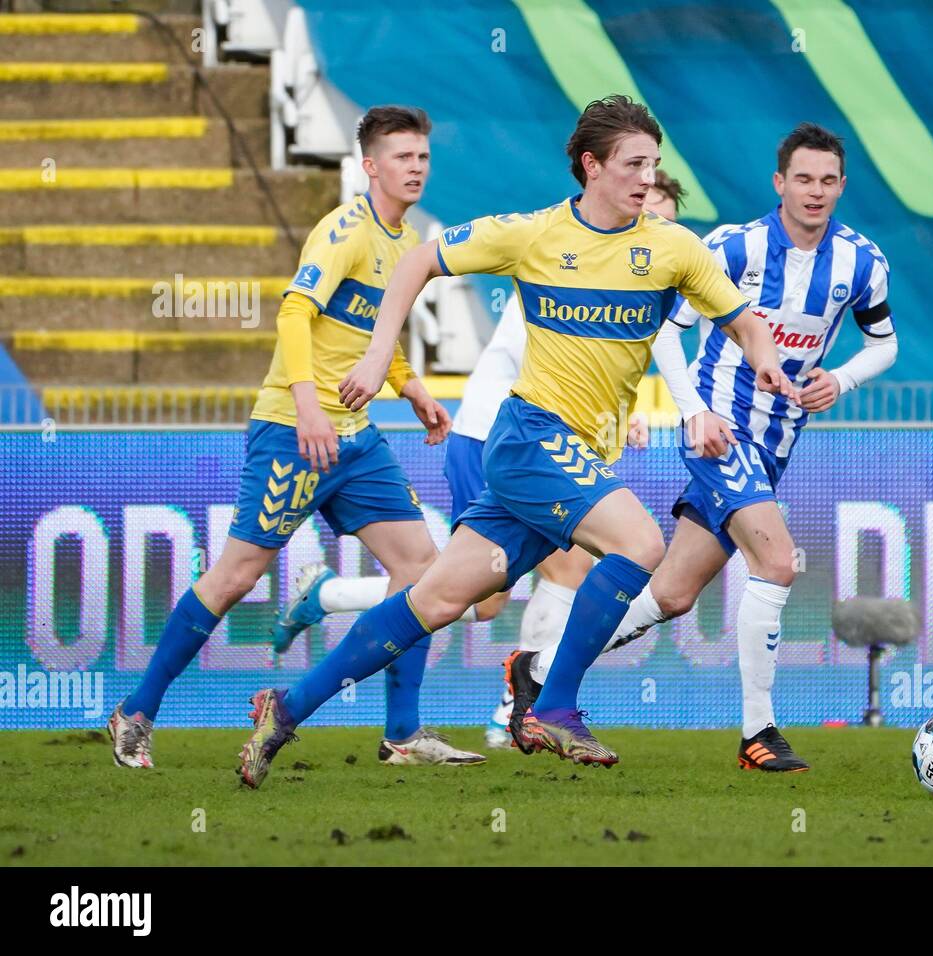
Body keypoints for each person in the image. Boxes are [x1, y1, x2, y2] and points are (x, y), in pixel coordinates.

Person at [235, 94, 797, 787]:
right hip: (530, 436)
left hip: (572, 456)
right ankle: (554, 706)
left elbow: (743, 320)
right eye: (632, 164)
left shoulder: (673, 248)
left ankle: (284, 709)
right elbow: (418, 264)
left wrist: (765, 358)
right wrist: (381, 356)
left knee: (436, 602)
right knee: (642, 545)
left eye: (653, 163)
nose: (647, 179)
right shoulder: (532, 234)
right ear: (591, 166)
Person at [505, 123, 899, 772]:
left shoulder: (862, 262)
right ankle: (759, 732)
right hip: (722, 436)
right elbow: (665, 329)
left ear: (842, 186)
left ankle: (537, 670)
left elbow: (885, 343)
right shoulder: (732, 247)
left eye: (828, 180)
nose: (815, 191)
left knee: (672, 595)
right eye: (802, 178)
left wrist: (842, 376)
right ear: (779, 183)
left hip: (775, 446)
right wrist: (696, 411)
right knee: (775, 562)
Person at [108, 106, 484, 770]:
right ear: (371, 166)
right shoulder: (343, 230)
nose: (417, 168)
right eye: (403, 157)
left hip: (358, 440)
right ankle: (137, 710)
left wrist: (413, 388)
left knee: (423, 571)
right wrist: (309, 409)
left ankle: (402, 735)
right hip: (294, 430)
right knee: (234, 577)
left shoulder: (409, 243)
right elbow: (294, 314)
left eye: (423, 157)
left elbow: (374, 333)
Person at [269, 173, 686, 749]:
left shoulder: (647, 270)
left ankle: (322, 625)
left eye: (662, 218)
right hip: (504, 436)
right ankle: (527, 706)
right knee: (577, 568)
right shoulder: (567, 257)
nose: (652, 229)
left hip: (542, 443)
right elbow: (553, 355)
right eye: (648, 211)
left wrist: (623, 412)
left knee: (471, 600)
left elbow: (615, 360)